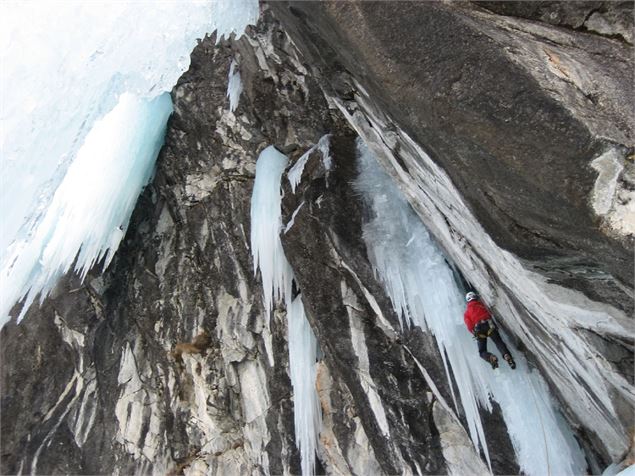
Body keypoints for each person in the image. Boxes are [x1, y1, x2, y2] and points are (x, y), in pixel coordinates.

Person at [464, 292, 516, 369]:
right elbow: (489, 312)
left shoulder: (467, 312)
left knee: (482, 351)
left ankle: (491, 357)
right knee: (498, 342)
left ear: (468, 300)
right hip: (489, 325)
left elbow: (469, 325)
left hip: (478, 329)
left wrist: (474, 332)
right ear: (475, 297)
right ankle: (506, 355)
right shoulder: (481, 304)